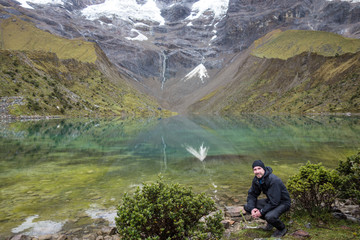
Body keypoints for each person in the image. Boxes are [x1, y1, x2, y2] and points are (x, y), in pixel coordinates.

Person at [244, 160, 291, 237]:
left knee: (269, 216)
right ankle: (271, 223)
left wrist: (261, 212)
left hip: (283, 202)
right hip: (271, 201)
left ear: (264, 169)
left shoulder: (273, 180)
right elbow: (252, 195)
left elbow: (275, 202)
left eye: (259, 168)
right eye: (255, 169)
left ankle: (281, 229)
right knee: (247, 206)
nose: (257, 171)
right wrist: (252, 209)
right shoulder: (256, 180)